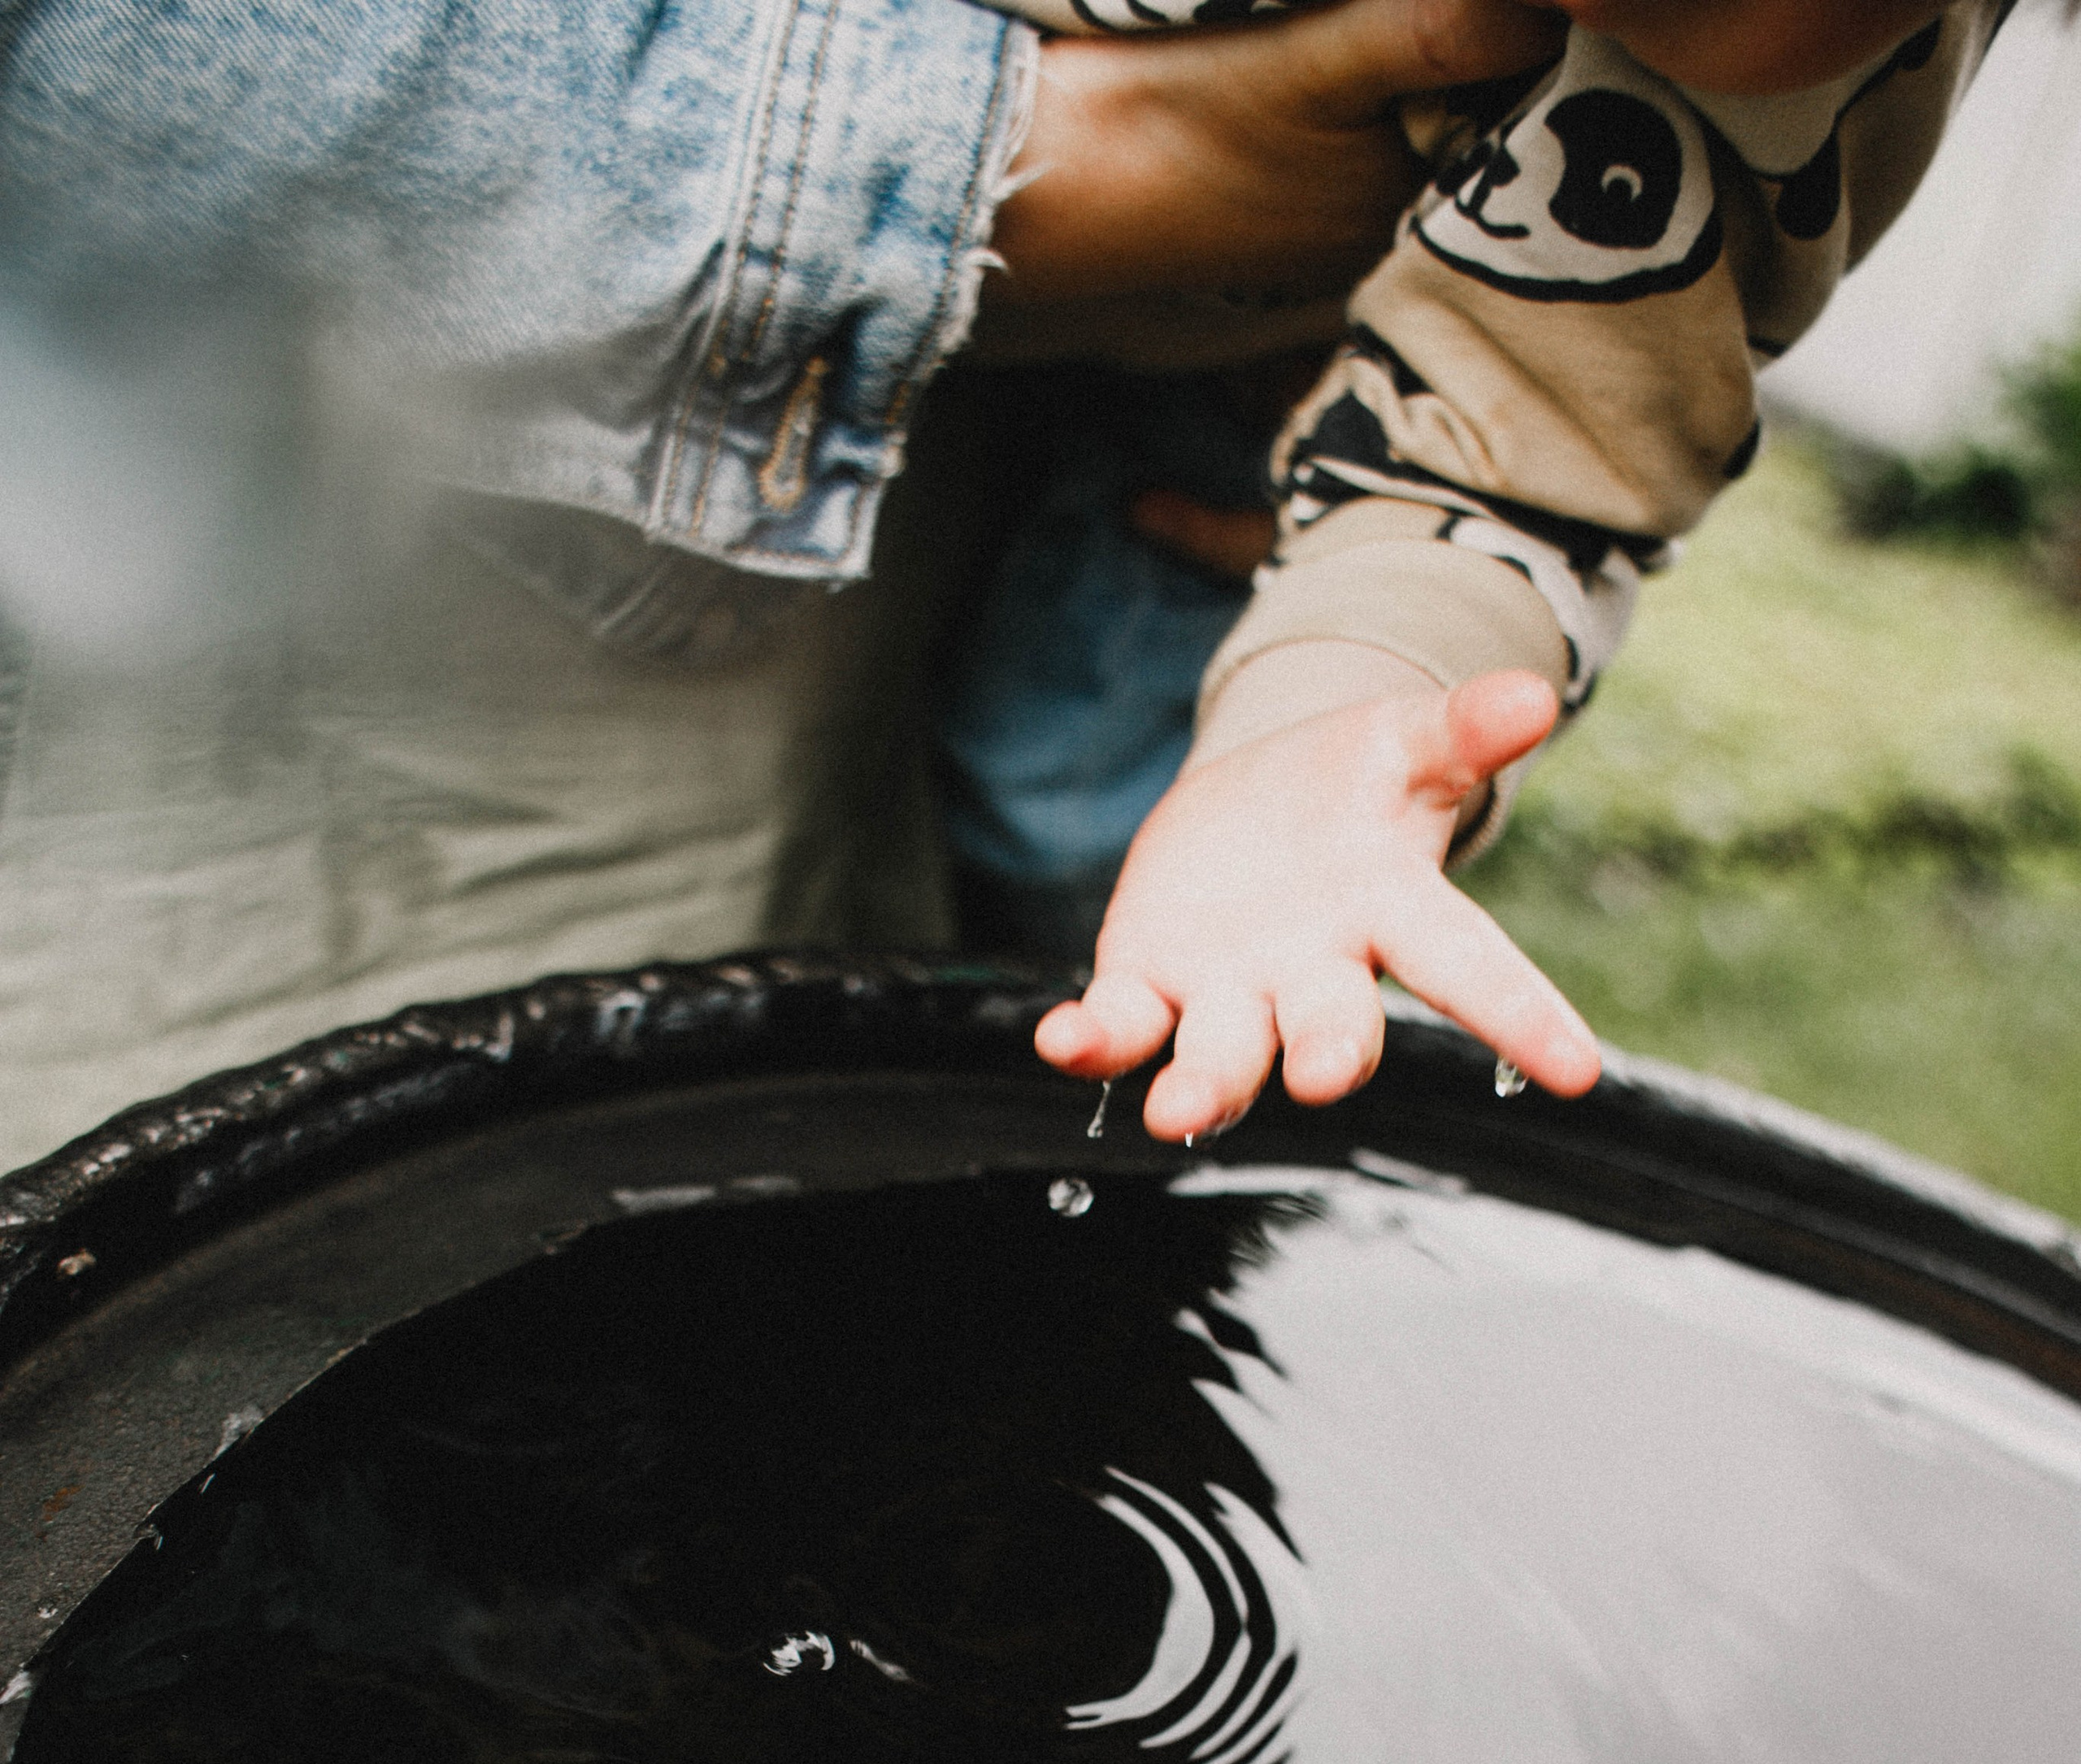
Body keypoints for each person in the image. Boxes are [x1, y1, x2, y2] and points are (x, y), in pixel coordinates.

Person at [0, 0, 1549, 1174]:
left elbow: (1593, 348)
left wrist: (1364, 623)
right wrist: (1059, 170)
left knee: (824, 1204)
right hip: (356, 547)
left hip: (1027, 542)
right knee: (262, 1254)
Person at [1019, 0, 2014, 1136]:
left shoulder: (1795, 71)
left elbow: (1519, 447)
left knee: (1082, 848)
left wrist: (1330, 701)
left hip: (1252, 384)